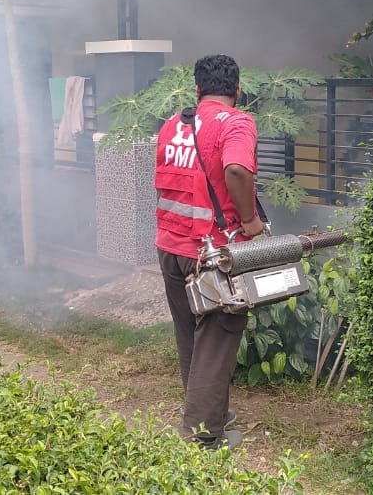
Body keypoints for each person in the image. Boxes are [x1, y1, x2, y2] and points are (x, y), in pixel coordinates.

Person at [154, 54, 264, 450]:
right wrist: (250, 222)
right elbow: (236, 170)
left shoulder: (173, 124)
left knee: (191, 335)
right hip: (211, 252)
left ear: (197, 90)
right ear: (237, 91)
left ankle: (205, 410)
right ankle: (203, 437)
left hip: (170, 245)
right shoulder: (236, 122)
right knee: (217, 336)